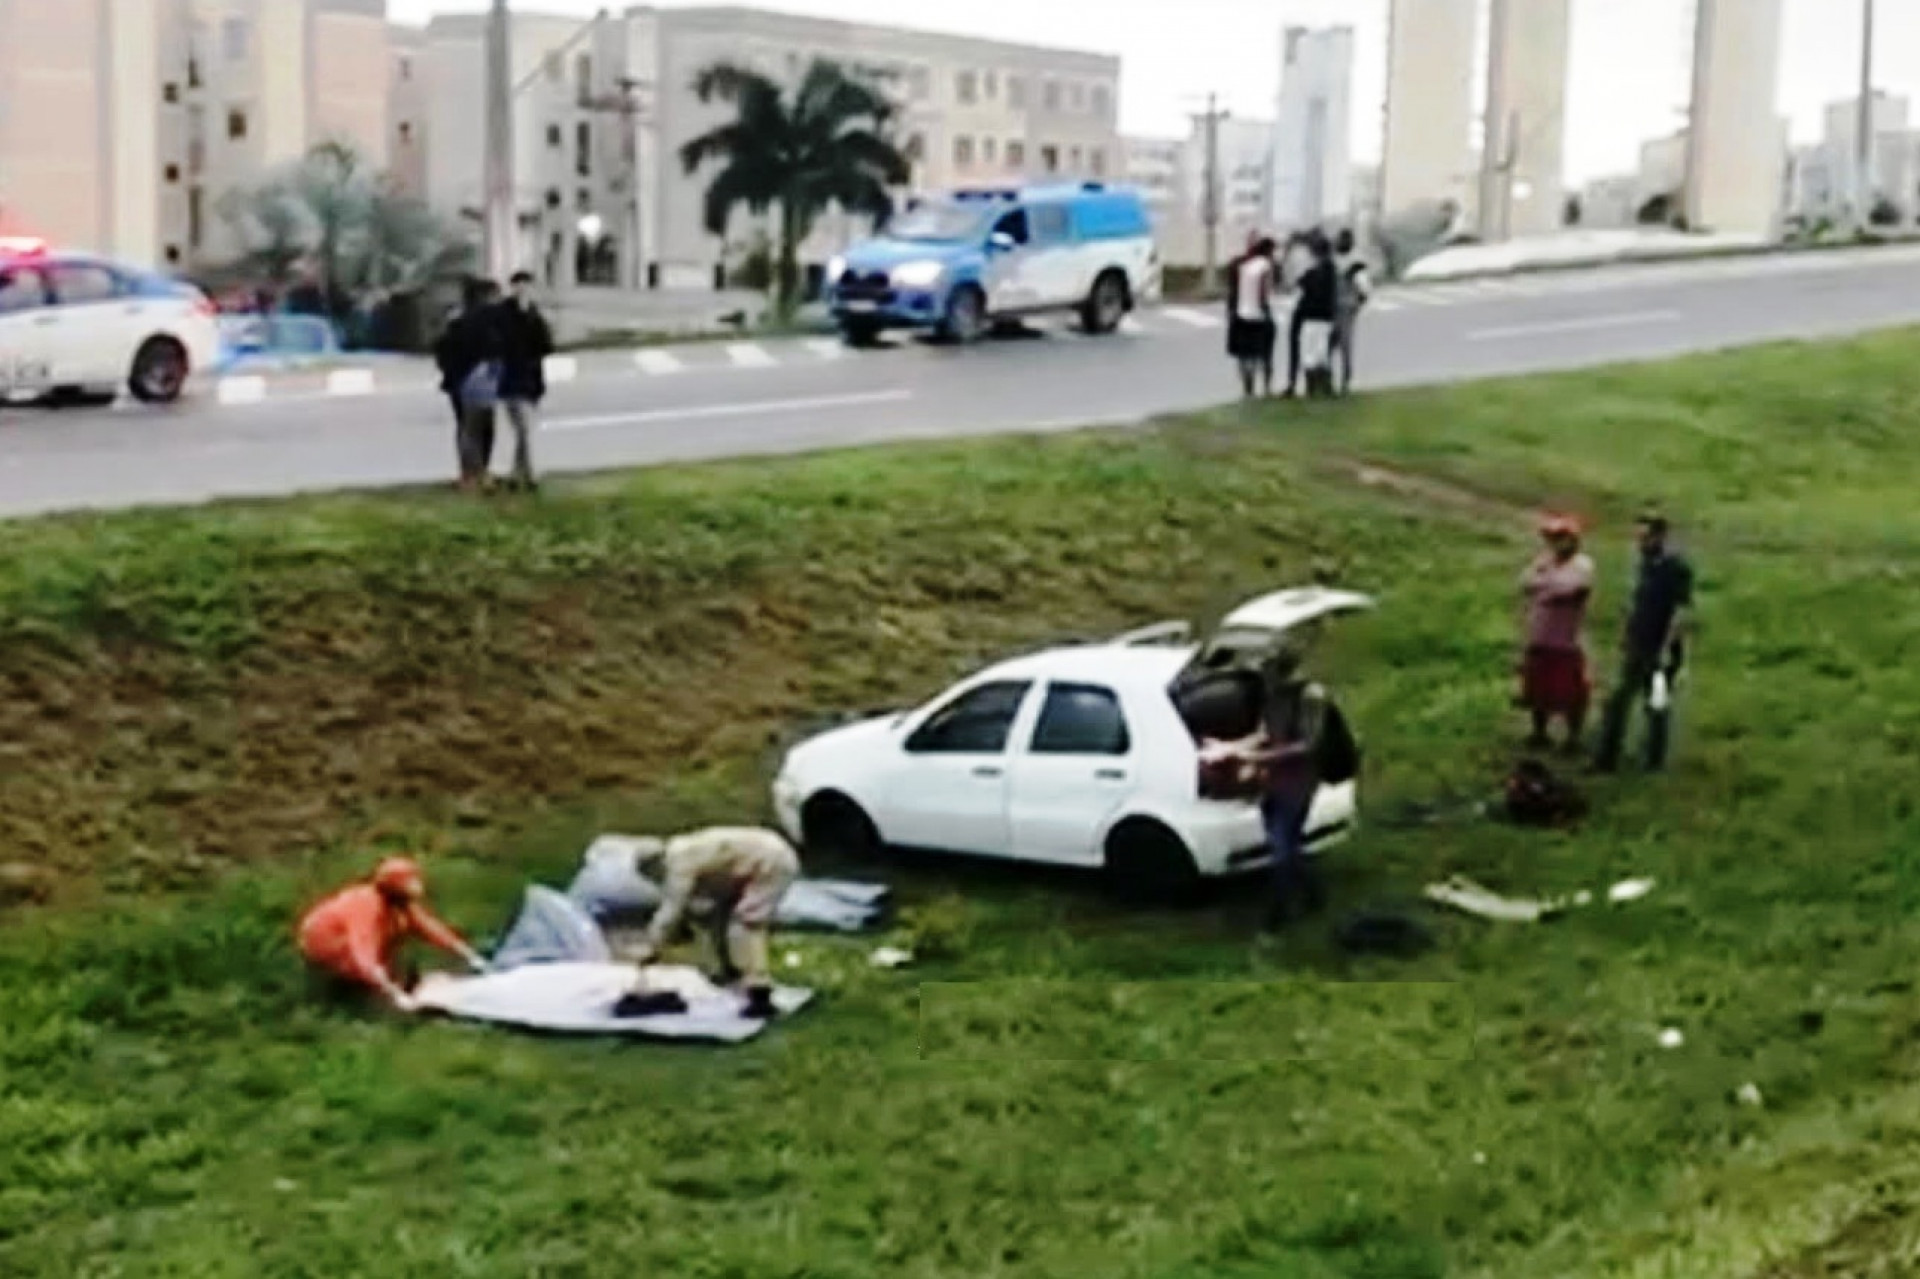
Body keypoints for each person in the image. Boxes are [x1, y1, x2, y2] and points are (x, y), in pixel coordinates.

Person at [631, 827, 802, 1019]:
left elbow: (670, 912)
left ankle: (759, 993)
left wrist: (650, 947)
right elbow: (712, 910)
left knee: (746, 923)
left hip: (771, 862)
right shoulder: (691, 853)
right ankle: (730, 971)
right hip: (760, 858)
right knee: (725, 917)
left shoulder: (679, 863)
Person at [297, 857, 487, 1011]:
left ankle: (390, 986)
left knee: (396, 949)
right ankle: (354, 993)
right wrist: (393, 993)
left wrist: (469, 955)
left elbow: (430, 929)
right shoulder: (366, 906)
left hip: (361, 949)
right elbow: (363, 953)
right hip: (329, 947)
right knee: (370, 976)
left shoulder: (400, 905)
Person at [1594, 510, 1696, 773]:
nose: (1640, 543)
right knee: (1619, 700)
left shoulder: (1675, 568)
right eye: (1638, 537)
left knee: (1657, 702)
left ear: (1660, 536)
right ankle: (1607, 757)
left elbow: (1681, 612)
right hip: (1638, 644)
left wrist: (1666, 646)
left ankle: (1653, 758)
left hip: (1661, 648)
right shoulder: (1646, 565)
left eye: (1645, 537)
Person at [1247, 647, 1329, 930]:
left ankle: (1278, 913)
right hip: (1273, 778)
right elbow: (1268, 730)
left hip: (1298, 782)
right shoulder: (1272, 695)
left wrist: (1262, 757)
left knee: (1281, 846)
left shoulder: (1309, 697)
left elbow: (1309, 744)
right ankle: (1313, 893)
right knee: (1285, 842)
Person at [1518, 514, 1596, 752]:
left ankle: (1573, 739)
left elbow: (1572, 590)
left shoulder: (1582, 565)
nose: (1554, 543)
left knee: (1570, 693)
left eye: (1560, 538)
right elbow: (1526, 583)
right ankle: (1539, 732)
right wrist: (1547, 587)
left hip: (1565, 640)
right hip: (1540, 636)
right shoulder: (1544, 561)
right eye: (1552, 538)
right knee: (1537, 689)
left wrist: (1545, 586)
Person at [434, 277, 501, 492]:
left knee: (469, 428)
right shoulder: (481, 321)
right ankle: (476, 473)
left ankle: (472, 473)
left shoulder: (457, 319)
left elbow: (441, 349)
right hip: (474, 380)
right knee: (478, 429)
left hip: (460, 380)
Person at [491, 270, 555, 491]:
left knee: (523, 431)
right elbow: (498, 342)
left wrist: (531, 317)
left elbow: (546, 345)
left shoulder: (535, 315)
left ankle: (515, 475)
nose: (523, 290)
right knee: (523, 429)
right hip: (510, 378)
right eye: (519, 285)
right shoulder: (502, 314)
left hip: (531, 379)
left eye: (527, 286)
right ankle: (530, 475)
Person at [1224, 232, 1279, 398]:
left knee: (1245, 354)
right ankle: (1266, 387)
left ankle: (1249, 388)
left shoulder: (1239, 265)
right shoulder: (1265, 265)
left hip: (1241, 314)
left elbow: (1233, 290)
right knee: (1264, 352)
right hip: (1258, 315)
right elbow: (1265, 292)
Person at [1286, 232, 1340, 398]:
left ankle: (1316, 387)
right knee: (1317, 354)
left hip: (1314, 316)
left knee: (1313, 355)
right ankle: (1320, 387)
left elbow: (1300, 283)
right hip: (1321, 317)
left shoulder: (1321, 271)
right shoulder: (1328, 269)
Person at [1331, 228, 1372, 395]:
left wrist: (1355, 305)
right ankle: (1332, 379)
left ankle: (1345, 381)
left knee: (1343, 345)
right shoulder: (1337, 260)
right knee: (1333, 344)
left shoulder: (1355, 263)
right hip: (1337, 307)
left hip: (1344, 308)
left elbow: (1364, 290)